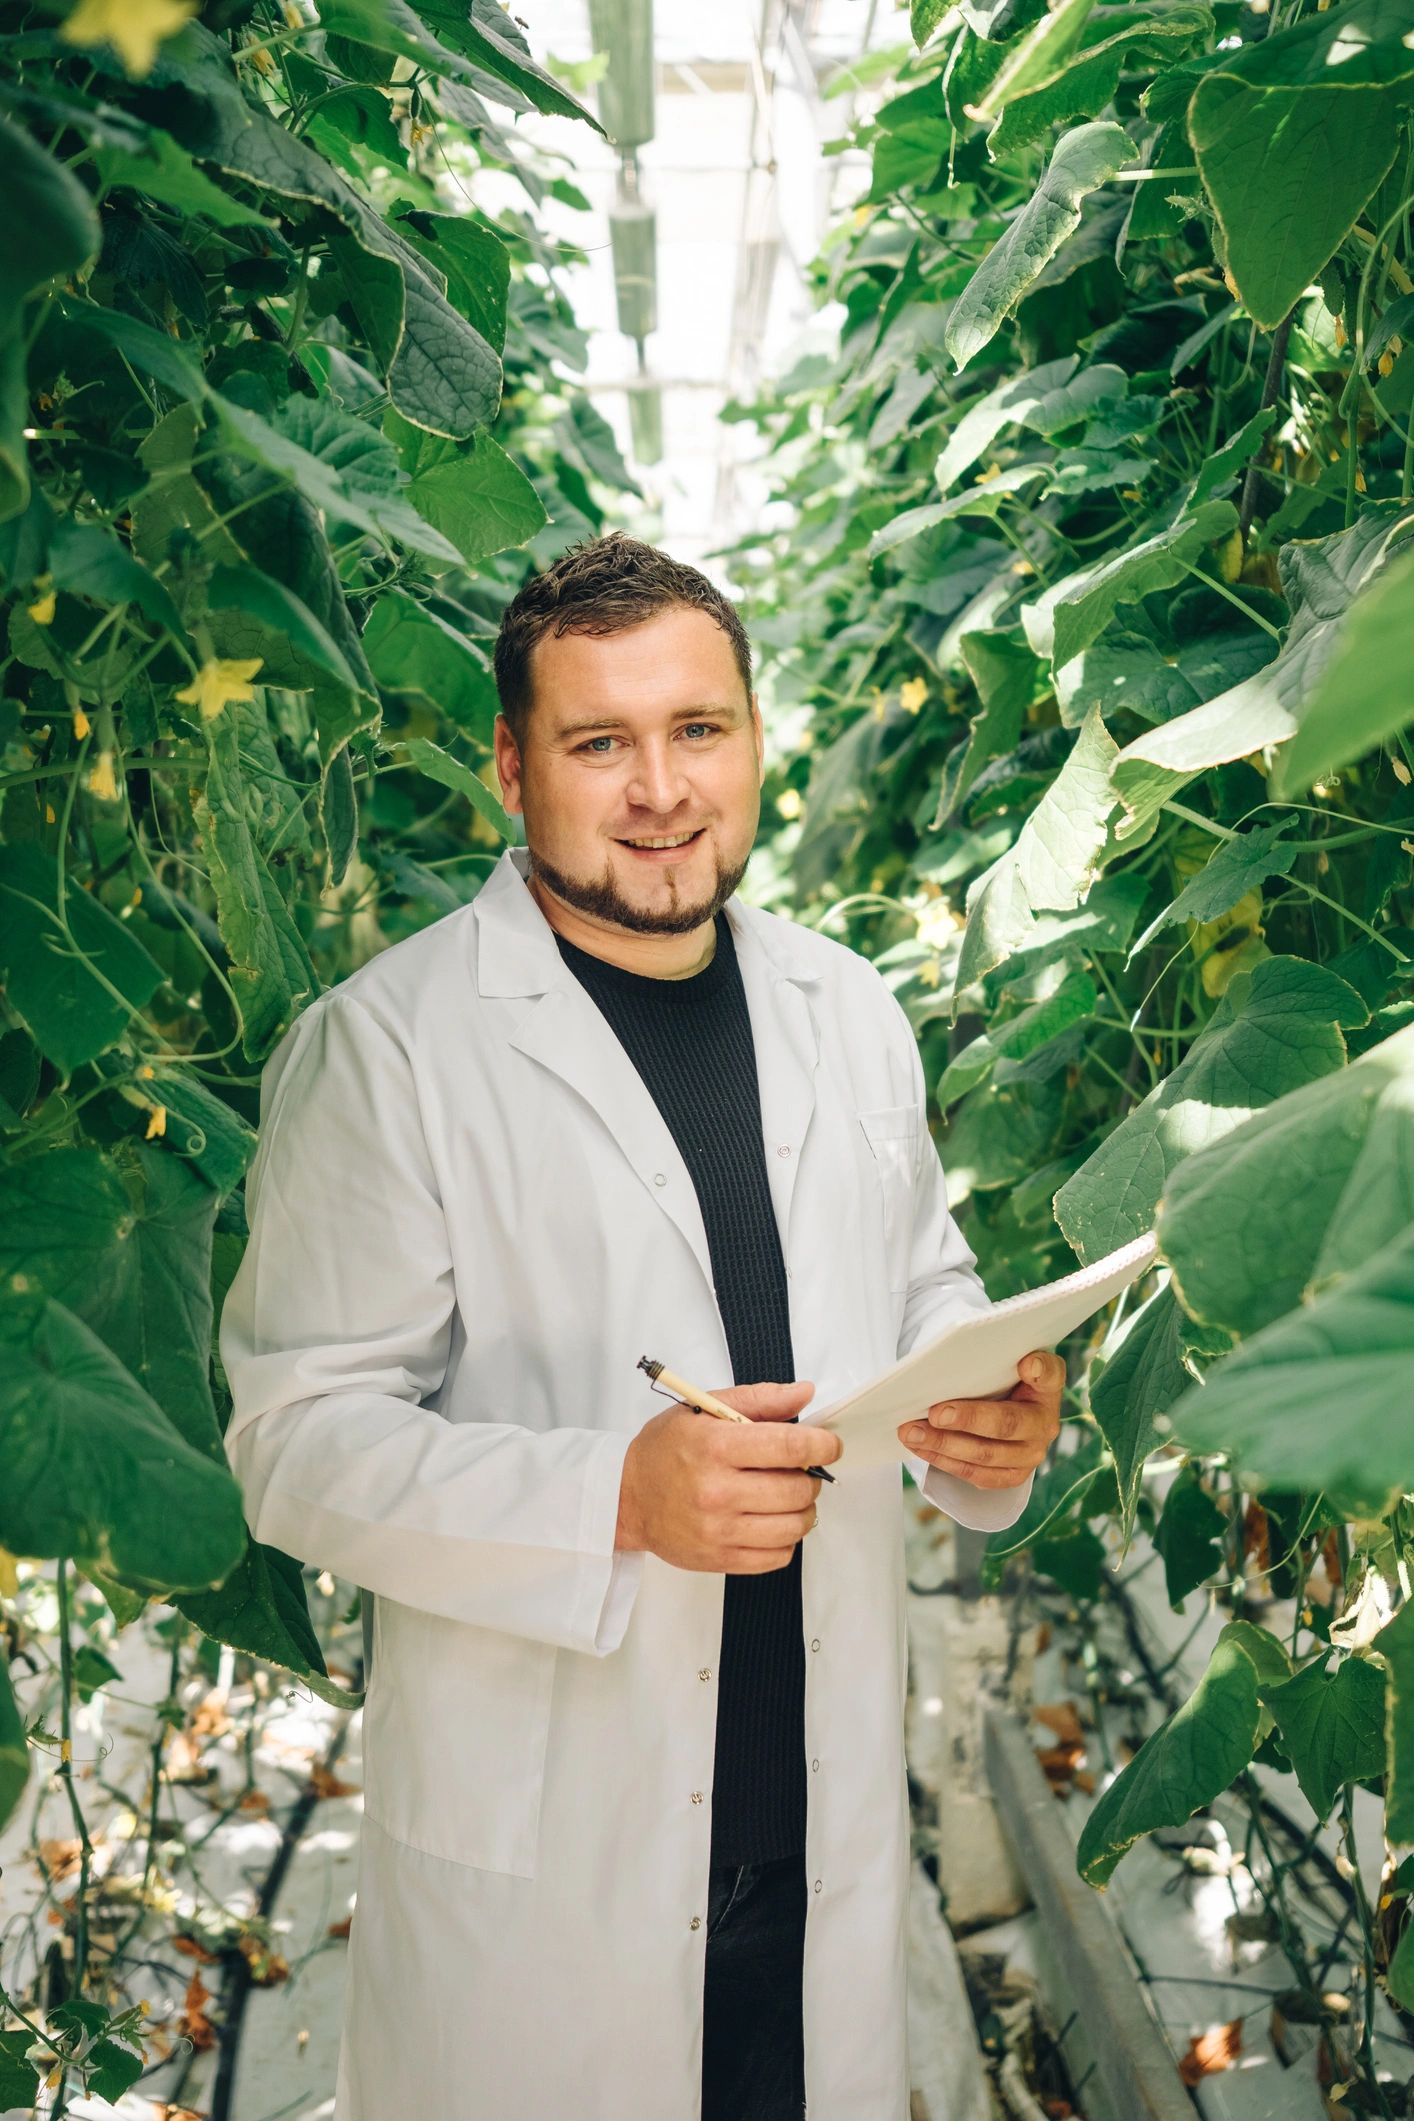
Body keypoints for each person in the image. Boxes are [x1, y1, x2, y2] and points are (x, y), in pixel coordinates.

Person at [219, 532, 1063, 2121]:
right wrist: (610, 1497)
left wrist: (984, 1404)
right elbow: (294, 1444)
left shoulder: (845, 1009)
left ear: (753, 739)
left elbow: (920, 1280)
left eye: (696, 730)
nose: (658, 787)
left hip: (810, 1821)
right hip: (557, 1865)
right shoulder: (393, 1050)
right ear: (511, 766)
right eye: (599, 742)